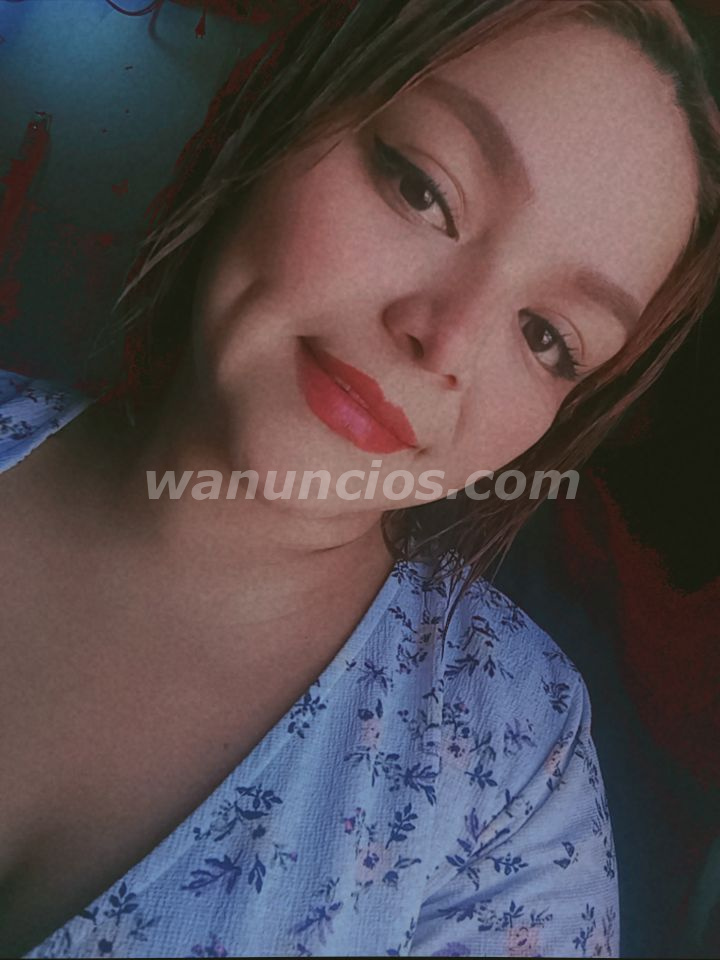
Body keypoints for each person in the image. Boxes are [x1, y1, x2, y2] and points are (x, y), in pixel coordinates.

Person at [0, 0, 718, 956]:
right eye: (424, 190)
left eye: (548, 337)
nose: (447, 340)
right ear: (286, 107)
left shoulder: (516, 780)